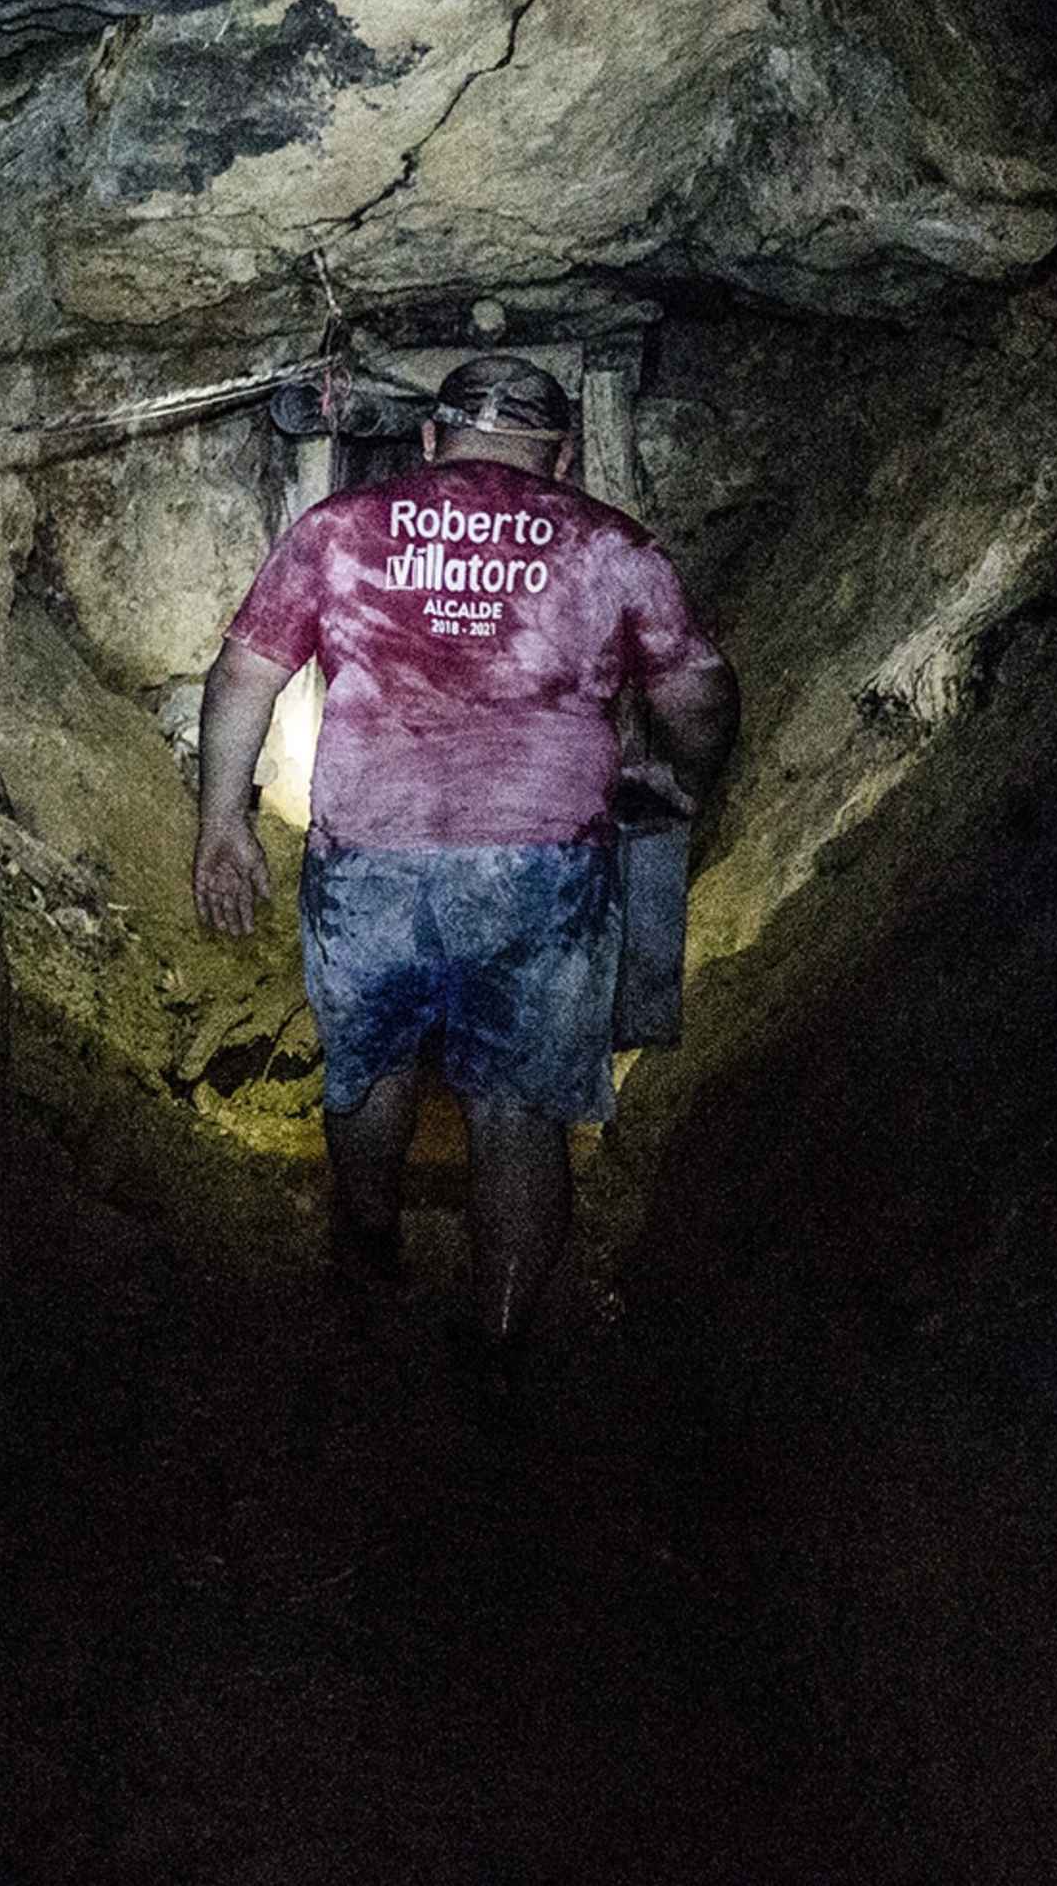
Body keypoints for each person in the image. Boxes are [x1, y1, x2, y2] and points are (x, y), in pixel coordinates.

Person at [193, 353, 738, 1406]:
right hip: (542, 872)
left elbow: (242, 675)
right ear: (564, 456)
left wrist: (223, 824)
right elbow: (700, 696)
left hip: (370, 860)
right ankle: (496, 1344)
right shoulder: (610, 547)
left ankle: (369, 1249)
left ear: (433, 440)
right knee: (519, 1111)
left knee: (371, 1066)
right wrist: (679, 780)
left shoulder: (342, 528)